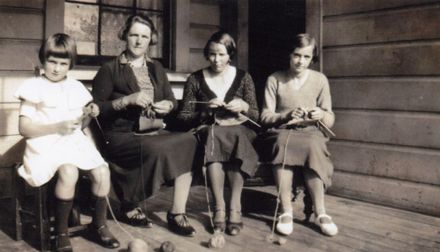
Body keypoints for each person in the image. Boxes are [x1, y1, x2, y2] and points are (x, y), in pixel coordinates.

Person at [92, 14, 197, 237]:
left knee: (189, 140)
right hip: (120, 135)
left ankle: (177, 212)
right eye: (134, 35)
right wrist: (127, 101)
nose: (139, 41)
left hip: (153, 130)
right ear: (125, 36)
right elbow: (97, 109)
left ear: (151, 40)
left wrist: (167, 105)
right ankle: (129, 203)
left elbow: (172, 100)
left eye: (144, 36)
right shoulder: (109, 69)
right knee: (157, 148)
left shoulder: (156, 67)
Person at [15, 33, 120, 251]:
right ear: (43, 60)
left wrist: (90, 114)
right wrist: (56, 127)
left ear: (70, 64)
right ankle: (61, 232)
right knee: (69, 171)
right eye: (52, 61)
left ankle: (98, 225)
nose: (56, 68)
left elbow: (80, 126)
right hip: (43, 143)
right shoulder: (34, 86)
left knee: (102, 170)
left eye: (63, 63)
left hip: (71, 142)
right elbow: (24, 128)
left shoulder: (76, 87)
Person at [177, 31, 259, 236]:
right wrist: (205, 111)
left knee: (236, 135)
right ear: (207, 54)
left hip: (240, 130)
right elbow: (183, 116)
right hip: (210, 130)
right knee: (215, 136)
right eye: (212, 54)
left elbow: (256, 116)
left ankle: (235, 207)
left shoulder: (243, 78)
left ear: (230, 54)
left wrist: (244, 107)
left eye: (222, 54)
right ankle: (219, 208)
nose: (216, 59)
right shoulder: (195, 79)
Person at [258, 33, 338, 236]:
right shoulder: (275, 79)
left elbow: (329, 119)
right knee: (283, 143)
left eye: (306, 57)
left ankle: (321, 212)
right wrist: (285, 116)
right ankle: (286, 210)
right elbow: (265, 116)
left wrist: (321, 114)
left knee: (313, 146)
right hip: (281, 131)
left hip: (311, 132)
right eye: (296, 55)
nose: (300, 61)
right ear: (289, 54)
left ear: (312, 58)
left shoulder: (320, 80)